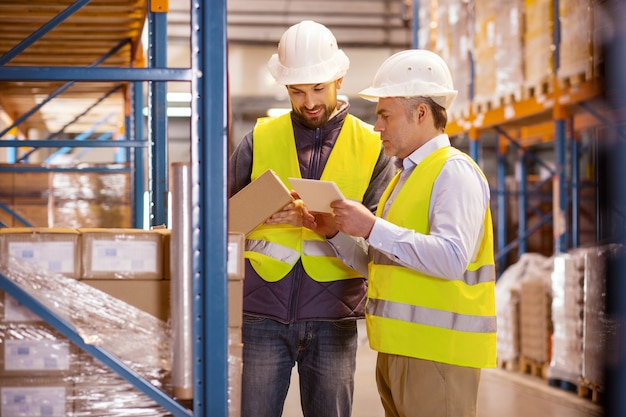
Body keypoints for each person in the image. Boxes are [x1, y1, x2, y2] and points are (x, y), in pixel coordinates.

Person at [304, 49, 497, 417]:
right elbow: (384, 264)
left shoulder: (454, 172)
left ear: (421, 113)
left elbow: (452, 258)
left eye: (385, 115)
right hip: (400, 350)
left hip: (438, 354)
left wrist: (373, 226)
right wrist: (337, 235)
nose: (377, 126)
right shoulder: (404, 179)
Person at [228, 20, 397, 417]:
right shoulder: (260, 138)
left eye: (318, 88)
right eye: (297, 91)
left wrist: (336, 224)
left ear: (339, 77)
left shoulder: (373, 147)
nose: (308, 102)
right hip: (261, 313)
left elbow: (381, 237)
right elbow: (222, 220)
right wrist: (260, 215)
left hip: (333, 317)